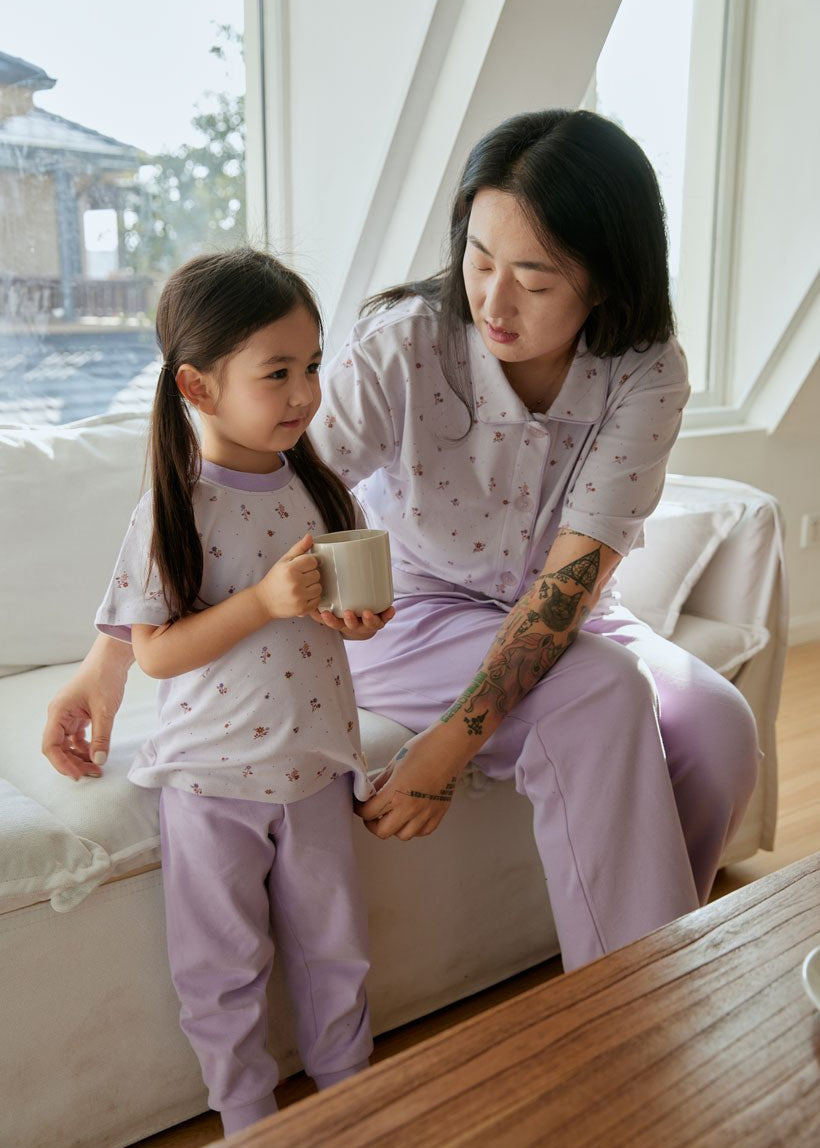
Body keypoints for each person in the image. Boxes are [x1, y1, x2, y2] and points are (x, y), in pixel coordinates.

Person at [43, 110, 759, 978]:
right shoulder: (407, 344)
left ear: (606, 279)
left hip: (565, 614)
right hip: (408, 618)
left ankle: (652, 958)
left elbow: (570, 588)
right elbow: (231, 487)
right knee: (603, 694)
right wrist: (108, 659)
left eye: (533, 280)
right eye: (480, 260)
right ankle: (630, 1018)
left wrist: (445, 751)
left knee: (721, 726)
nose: (493, 301)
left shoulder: (647, 369)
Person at [55, 249, 393, 1136]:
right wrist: (262, 602)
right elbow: (156, 654)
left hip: (315, 771)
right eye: (276, 372)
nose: (304, 393)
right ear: (199, 388)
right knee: (223, 967)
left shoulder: (323, 492)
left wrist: (358, 620)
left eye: (312, 366)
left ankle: (350, 1098)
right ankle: (248, 1119)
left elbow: (333, 618)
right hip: (211, 785)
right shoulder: (176, 508)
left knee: (336, 954)